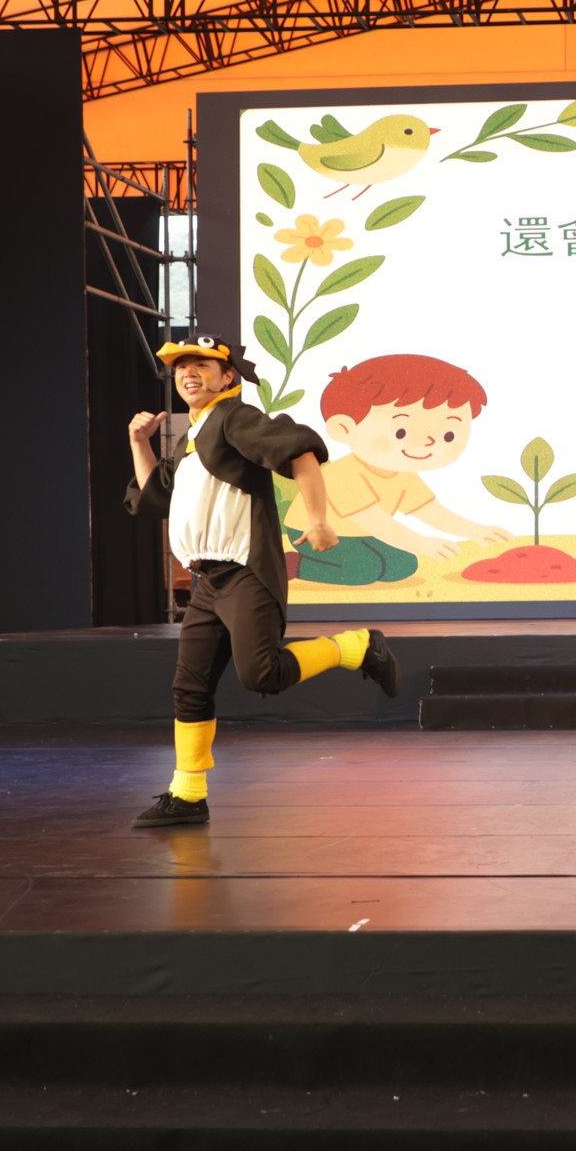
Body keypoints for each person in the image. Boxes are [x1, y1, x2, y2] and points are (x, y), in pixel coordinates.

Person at [125, 333, 401, 828]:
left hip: (244, 573)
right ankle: (188, 794)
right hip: (207, 583)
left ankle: (357, 647)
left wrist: (318, 520)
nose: (189, 373)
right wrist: (138, 442)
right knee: (190, 686)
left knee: (262, 675)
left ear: (228, 376)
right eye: (182, 366)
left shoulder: (233, 418)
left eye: (202, 365)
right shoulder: (194, 437)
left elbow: (300, 453)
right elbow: (156, 496)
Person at [287, 352, 512, 585]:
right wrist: (421, 543)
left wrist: (473, 530)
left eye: (448, 434)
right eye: (401, 432)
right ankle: (294, 564)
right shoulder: (344, 475)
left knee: (403, 564)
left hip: (357, 533)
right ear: (343, 429)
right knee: (364, 571)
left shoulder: (402, 475)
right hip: (311, 532)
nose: (429, 442)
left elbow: (428, 510)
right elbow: (373, 520)